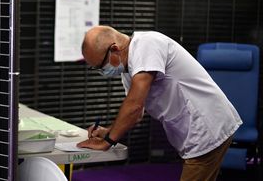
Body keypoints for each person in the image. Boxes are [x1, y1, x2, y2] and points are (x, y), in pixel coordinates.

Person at [77, 25, 242, 181]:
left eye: (100, 66)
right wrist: (108, 131)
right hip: (195, 131)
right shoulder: (129, 71)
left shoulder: (147, 45)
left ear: (114, 49)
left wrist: (107, 142)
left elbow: (134, 107)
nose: (102, 72)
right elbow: (136, 115)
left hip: (208, 126)